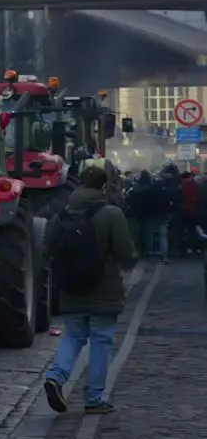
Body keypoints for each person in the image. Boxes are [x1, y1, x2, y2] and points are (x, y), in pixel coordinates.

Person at [42, 158, 136, 415]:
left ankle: (56, 377)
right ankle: (94, 398)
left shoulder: (61, 215)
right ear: (104, 186)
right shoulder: (111, 214)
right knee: (101, 342)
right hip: (104, 291)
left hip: (71, 289)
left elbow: (47, 249)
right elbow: (125, 254)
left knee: (72, 337)